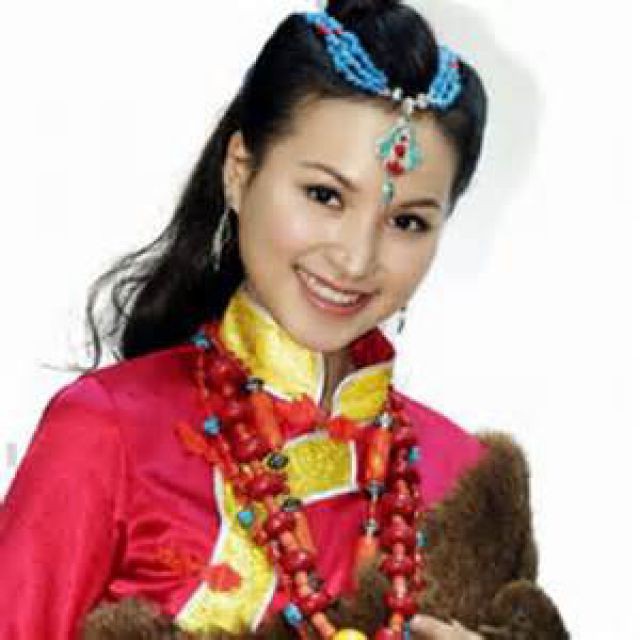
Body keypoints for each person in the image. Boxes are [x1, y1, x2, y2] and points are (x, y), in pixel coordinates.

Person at [0, 1, 569, 638]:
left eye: (407, 221)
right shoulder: (110, 434)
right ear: (239, 172)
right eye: (325, 196)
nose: (356, 258)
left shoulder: (465, 480)